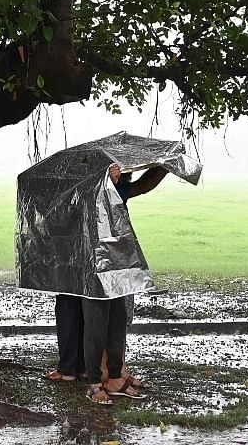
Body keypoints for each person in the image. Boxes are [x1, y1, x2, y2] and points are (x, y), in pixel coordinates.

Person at [46, 163, 167, 405]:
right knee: (94, 322)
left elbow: (141, 187)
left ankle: (114, 375)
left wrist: (163, 165)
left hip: (117, 264)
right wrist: (103, 179)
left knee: (116, 321)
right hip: (89, 266)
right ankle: (95, 379)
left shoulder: (117, 187)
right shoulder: (87, 190)